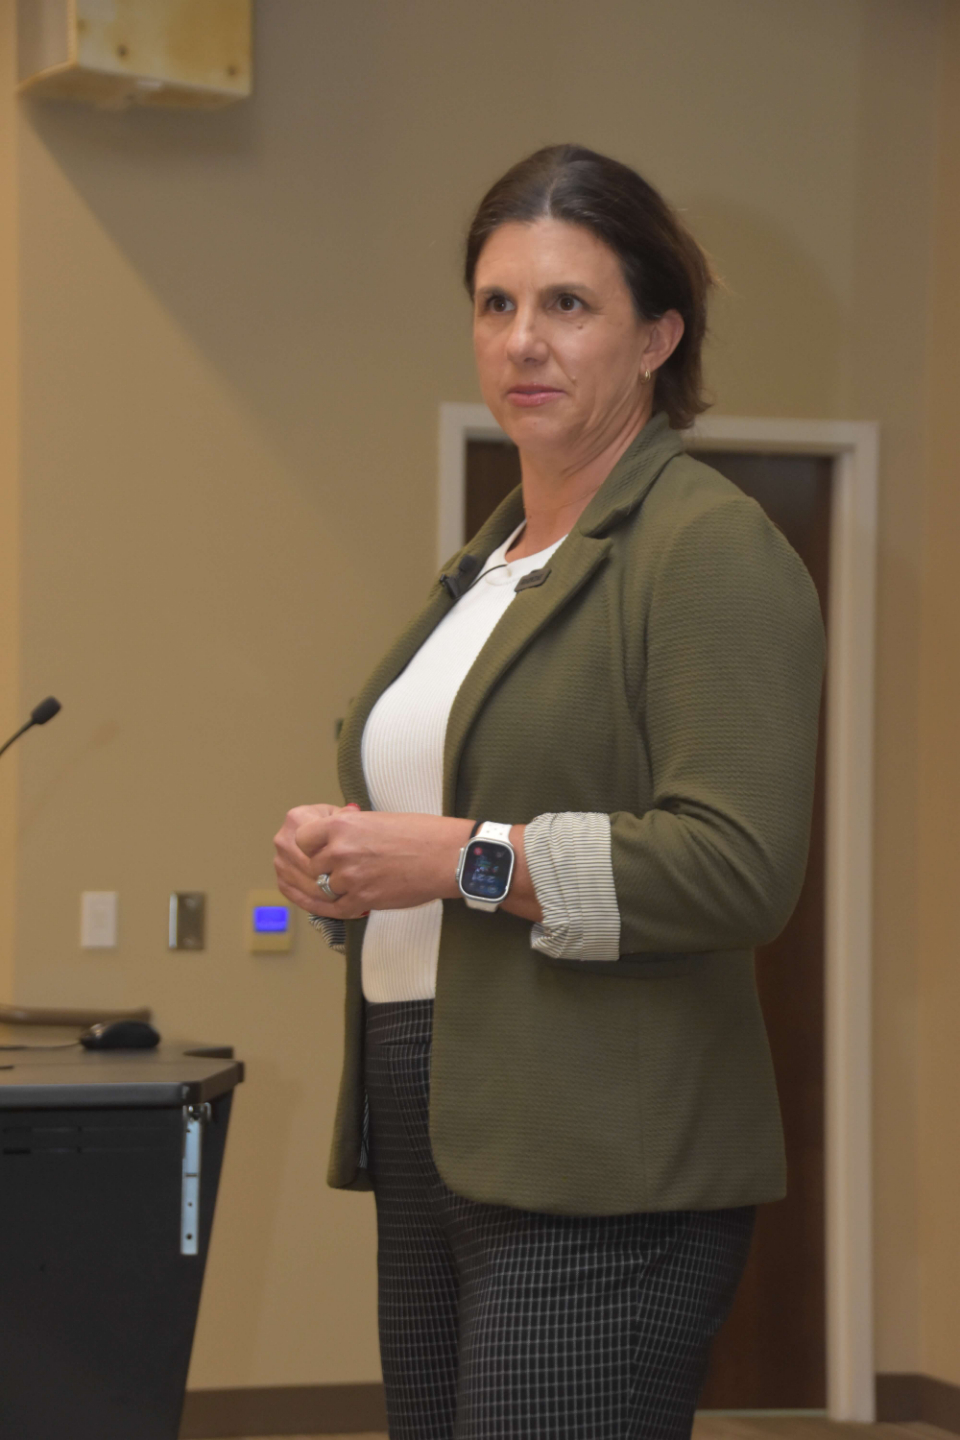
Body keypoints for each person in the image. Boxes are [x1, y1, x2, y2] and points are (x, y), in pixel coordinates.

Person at [273, 144, 825, 1440]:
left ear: (658, 337)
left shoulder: (706, 546)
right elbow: (449, 825)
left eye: (569, 303)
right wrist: (344, 862)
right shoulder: (488, 569)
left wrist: (456, 857)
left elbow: (738, 867)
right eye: (497, 303)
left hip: (604, 1162)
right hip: (433, 1120)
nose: (524, 339)